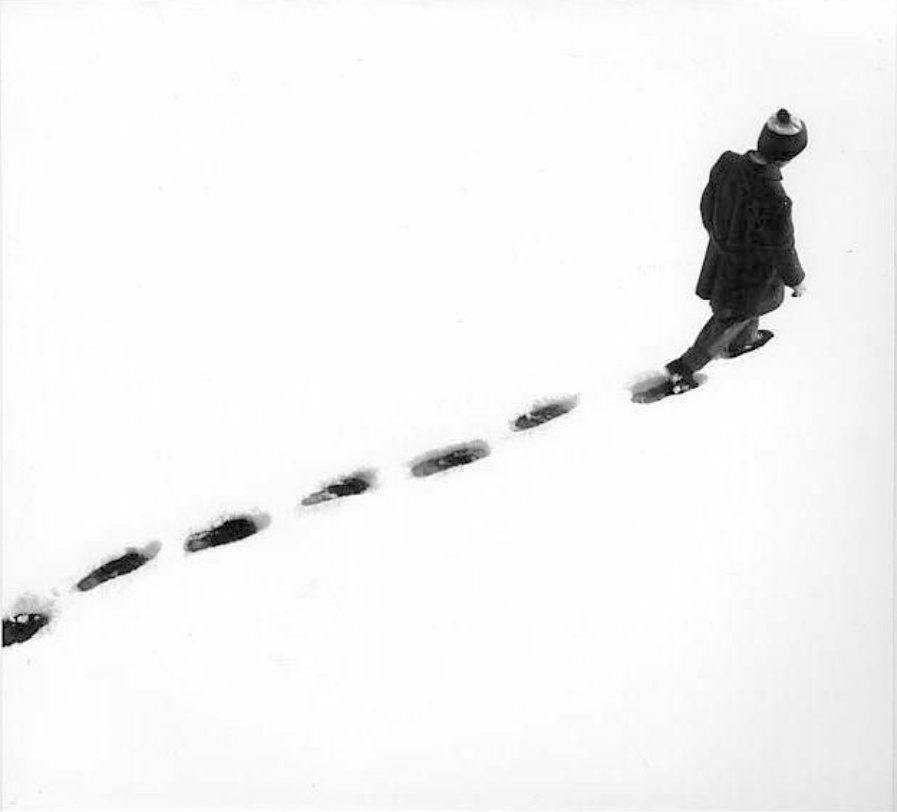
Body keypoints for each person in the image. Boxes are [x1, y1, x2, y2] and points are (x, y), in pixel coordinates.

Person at [635, 108, 808, 402]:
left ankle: (744, 341)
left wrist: (721, 235)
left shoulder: (727, 163)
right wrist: (797, 280)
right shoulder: (776, 199)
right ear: (788, 158)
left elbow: (706, 205)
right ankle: (684, 369)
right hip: (751, 273)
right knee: (731, 316)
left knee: (746, 308)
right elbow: (783, 248)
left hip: (722, 256)